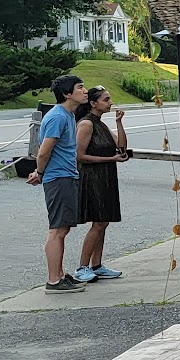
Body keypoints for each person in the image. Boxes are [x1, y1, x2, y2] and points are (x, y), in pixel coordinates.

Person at [26, 73, 85, 293]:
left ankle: (60, 274)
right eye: (80, 87)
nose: (84, 90)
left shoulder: (68, 115)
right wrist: (39, 172)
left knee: (64, 227)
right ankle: (53, 280)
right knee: (57, 229)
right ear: (67, 94)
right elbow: (44, 152)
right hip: (58, 177)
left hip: (67, 176)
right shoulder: (58, 117)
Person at [74, 86, 130, 282]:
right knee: (98, 223)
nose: (111, 102)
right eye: (106, 100)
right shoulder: (87, 124)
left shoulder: (101, 124)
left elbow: (121, 146)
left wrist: (119, 123)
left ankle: (96, 265)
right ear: (93, 103)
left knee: (103, 221)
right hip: (92, 177)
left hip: (106, 176)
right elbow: (79, 156)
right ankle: (82, 267)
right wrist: (110, 160)